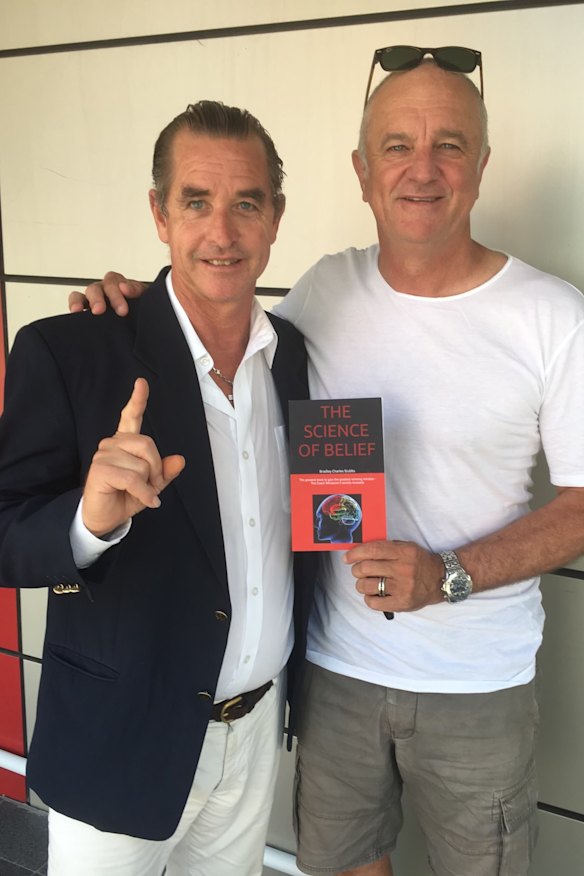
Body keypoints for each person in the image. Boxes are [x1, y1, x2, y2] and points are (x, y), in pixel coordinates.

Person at [69, 57, 584, 876]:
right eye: (397, 146)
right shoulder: (323, 291)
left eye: (450, 145)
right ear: (362, 171)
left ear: (482, 165)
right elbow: (219, 325)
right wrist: (140, 301)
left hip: (477, 682)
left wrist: (447, 574)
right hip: (332, 672)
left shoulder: (552, 316)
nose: (422, 169)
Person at [0, 100, 317, 876]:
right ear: (159, 213)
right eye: (196, 202)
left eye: (247, 204)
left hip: (254, 735)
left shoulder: (295, 357)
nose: (222, 232)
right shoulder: (71, 350)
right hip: (120, 738)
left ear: (276, 217)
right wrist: (87, 521)